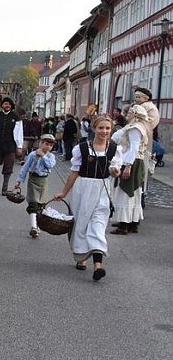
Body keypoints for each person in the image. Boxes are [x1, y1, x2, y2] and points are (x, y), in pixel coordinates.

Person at [53, 115, 117, 281]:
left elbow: (115, 167)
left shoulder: (114, 149)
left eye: (108, 128)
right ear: (94, 128)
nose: (104, 131)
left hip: (103, 189)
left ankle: (98, 266)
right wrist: (64, 192)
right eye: (101, 128)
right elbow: (74, 172)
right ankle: (81, 257)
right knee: (81, 224)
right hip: (83, 188)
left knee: (98, 224)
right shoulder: (81, 148)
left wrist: (115, 171)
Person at [110, 105, 151, 234]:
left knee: (126, 192)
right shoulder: (132, 127)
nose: (126, 114)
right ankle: (131, 222)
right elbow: (115, 137)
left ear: (135, 114)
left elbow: (133, 147)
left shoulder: (135, 128)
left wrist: (128, 166)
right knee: (132, 193)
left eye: (129, 113)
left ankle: (124, 225)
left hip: (131, 162)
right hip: (132, 161)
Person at [14, 133, 57, 238]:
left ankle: (38, 225)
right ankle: (33, 227)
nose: (48, 147)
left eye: (51, 145)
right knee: (33, 203)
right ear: (41, 143)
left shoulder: (51, 156)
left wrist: (43, 156)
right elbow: (26, 167)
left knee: (41, 205)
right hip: (33, 180)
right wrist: (19, 180)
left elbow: (50, 165)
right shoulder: (33, 154)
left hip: (43, 181)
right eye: (46, 144)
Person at [0, 97, 24, 195]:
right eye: (5, 104)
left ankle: (4, 188)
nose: (7, 105)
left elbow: (19, 133)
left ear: (11, 106)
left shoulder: (16, 117)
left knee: (8, 167)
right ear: (2, 105)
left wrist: (19, 146)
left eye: (9, 104)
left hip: (10, 146)